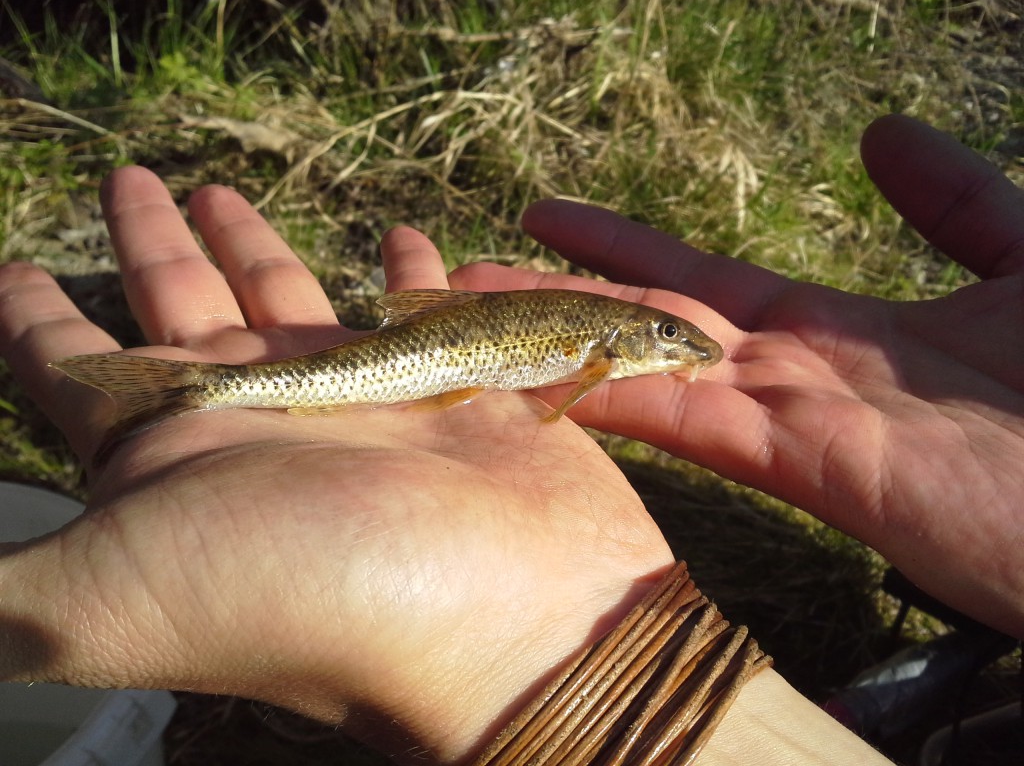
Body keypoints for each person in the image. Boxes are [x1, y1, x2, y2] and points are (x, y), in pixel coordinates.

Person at [0, 113, 1018, 765]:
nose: (679, 350)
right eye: (666, 340)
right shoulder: (595, 348)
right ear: (624, 343)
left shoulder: (607, 348)